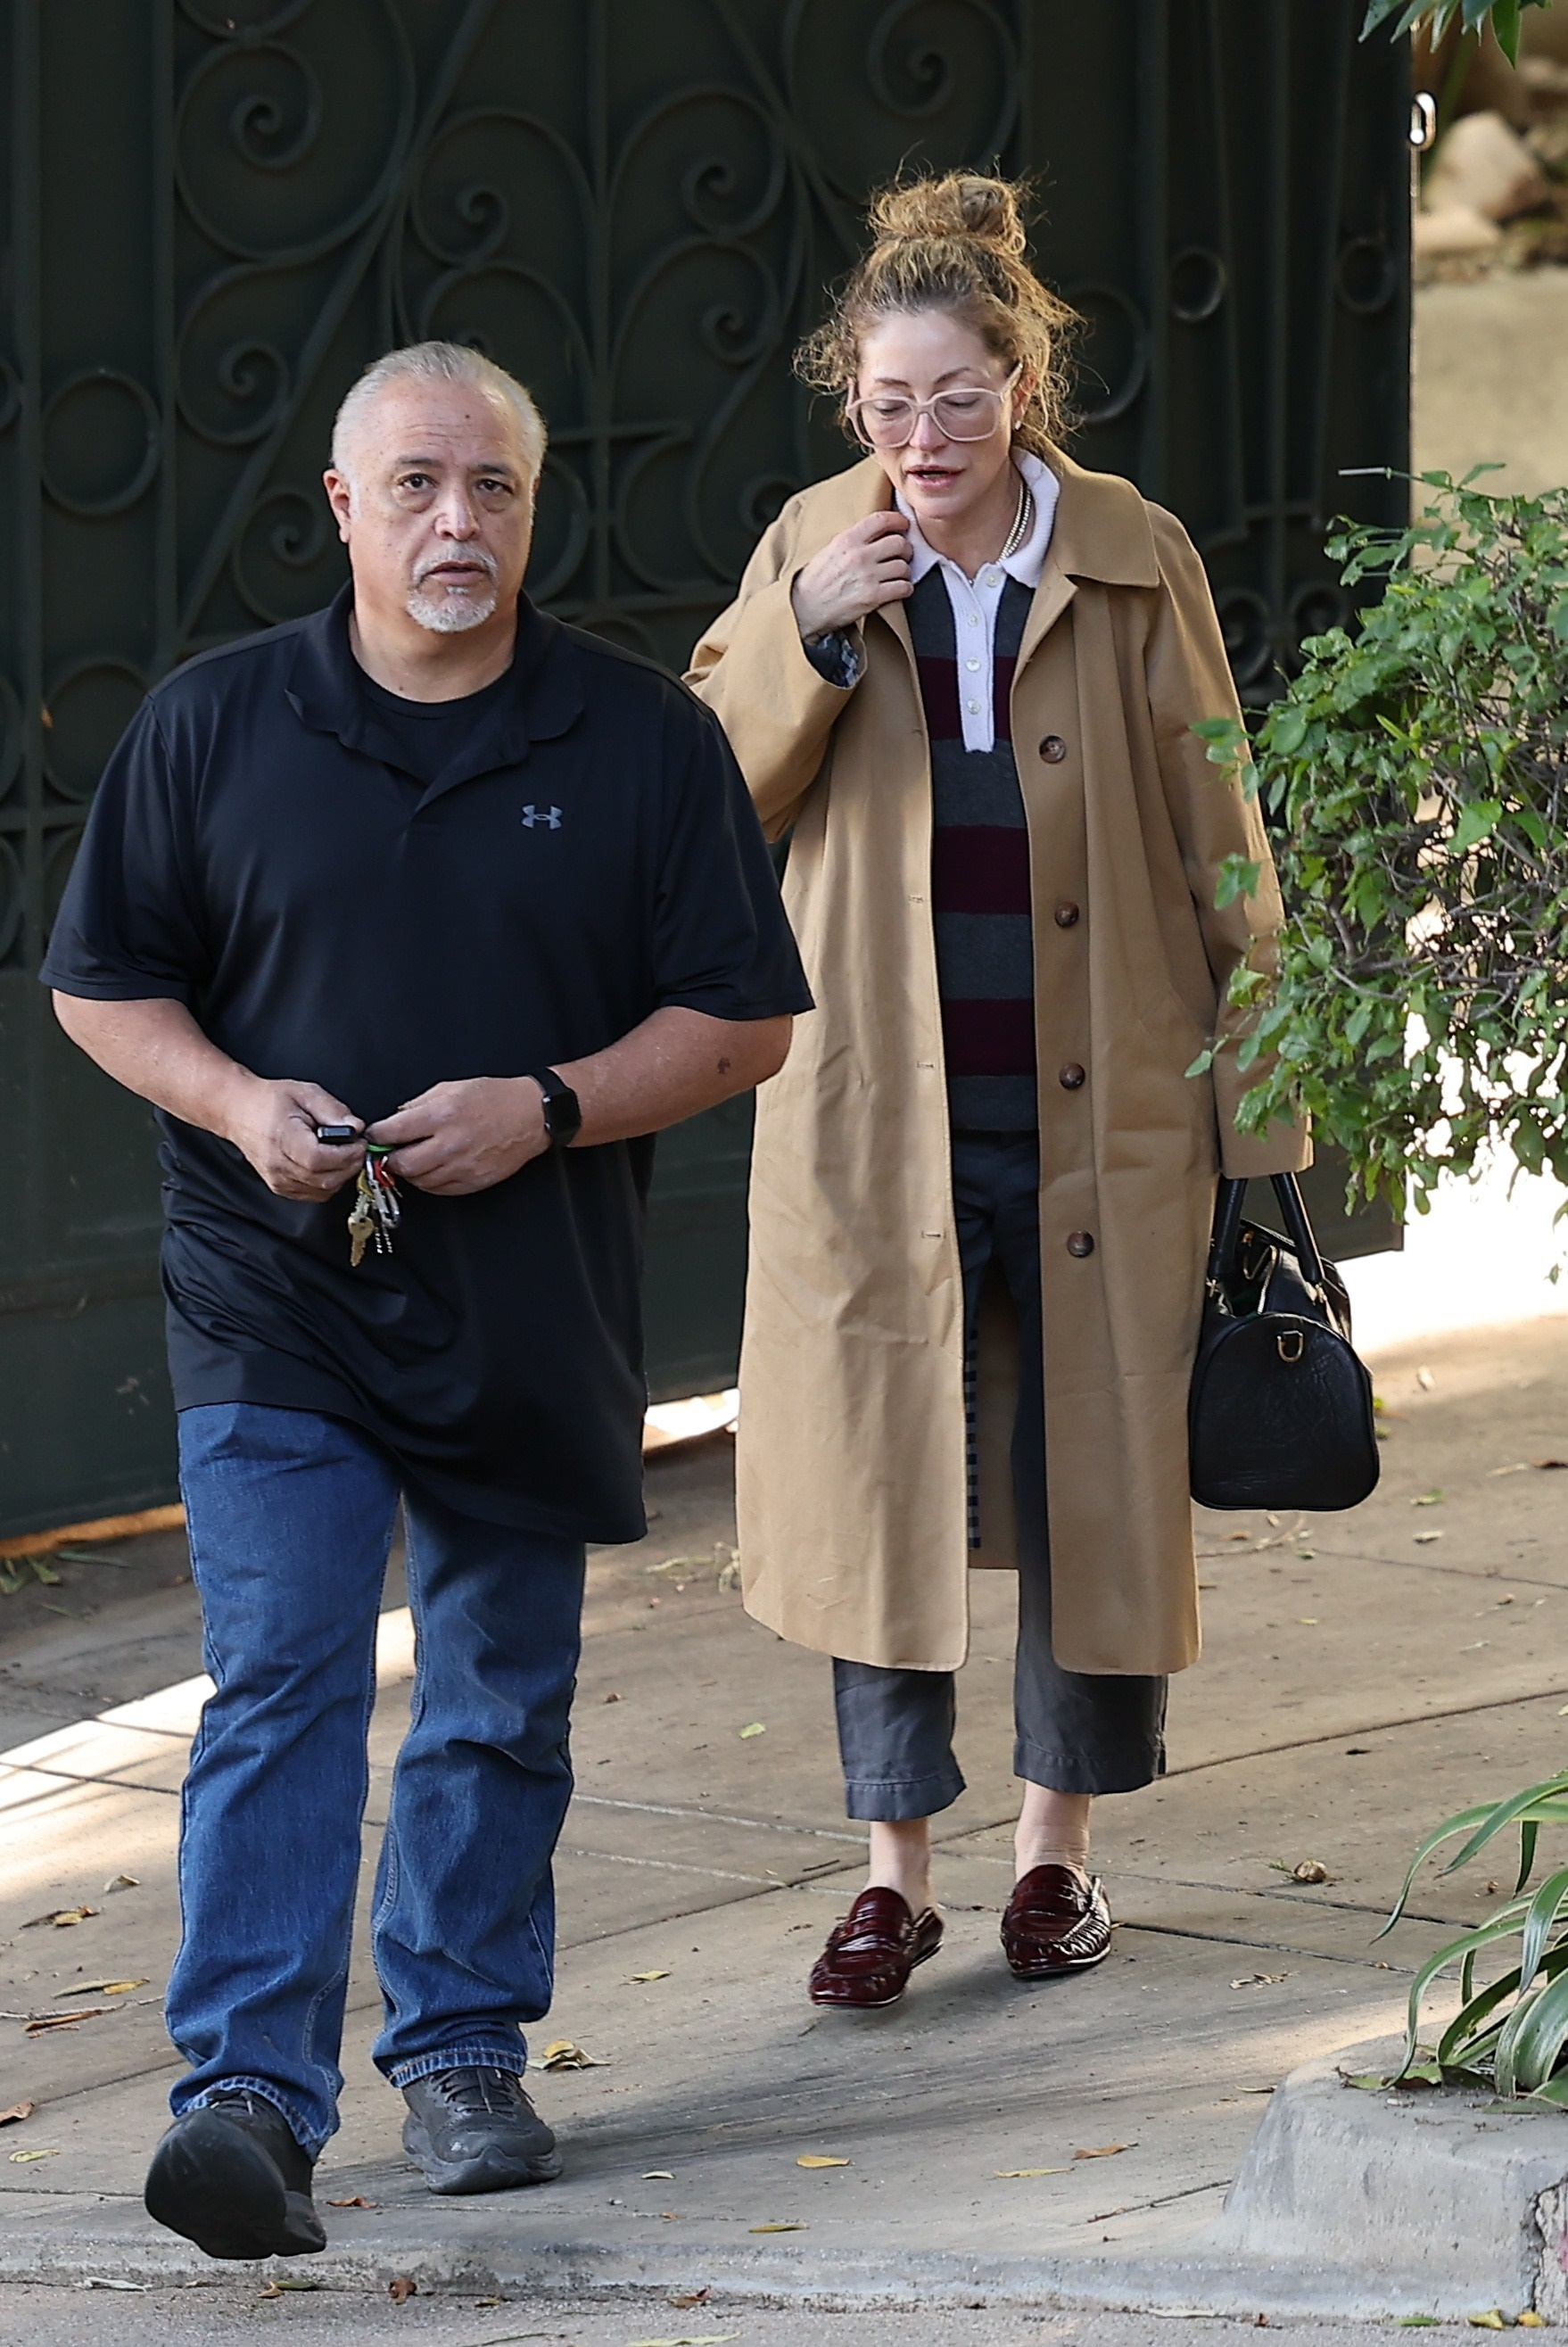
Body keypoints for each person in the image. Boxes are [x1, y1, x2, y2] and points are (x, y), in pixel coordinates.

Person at [42, 341, 810, 2259]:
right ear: (342, 506)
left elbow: (744, 1023)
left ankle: (462, 2045)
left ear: (533, 509)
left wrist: (544, 1108)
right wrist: (236, 1103)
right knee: (286, 1667)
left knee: (493, 1689)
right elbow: (103, 985)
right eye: (416, 487)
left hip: (532, 1291)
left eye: (494, 488)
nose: (457, 521)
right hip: (272, 1287)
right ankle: (246, 2095)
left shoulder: (643, 740)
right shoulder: (216, 726)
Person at [688, 174, 1307, 2012]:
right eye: (887, 404)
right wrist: (807, 623)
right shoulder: (811, 542)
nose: (922, 437)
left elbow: (1224, 836)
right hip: (878, 1105)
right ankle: (893, 1877)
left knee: (1089, 1475)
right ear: (849, 405)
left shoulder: (1129, 553)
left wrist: (1259, 1124)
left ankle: (1056, 1859)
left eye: (955, 394)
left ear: (1024, 378)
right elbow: (711, 804)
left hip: (1098, 1096)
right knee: (879, 1479)